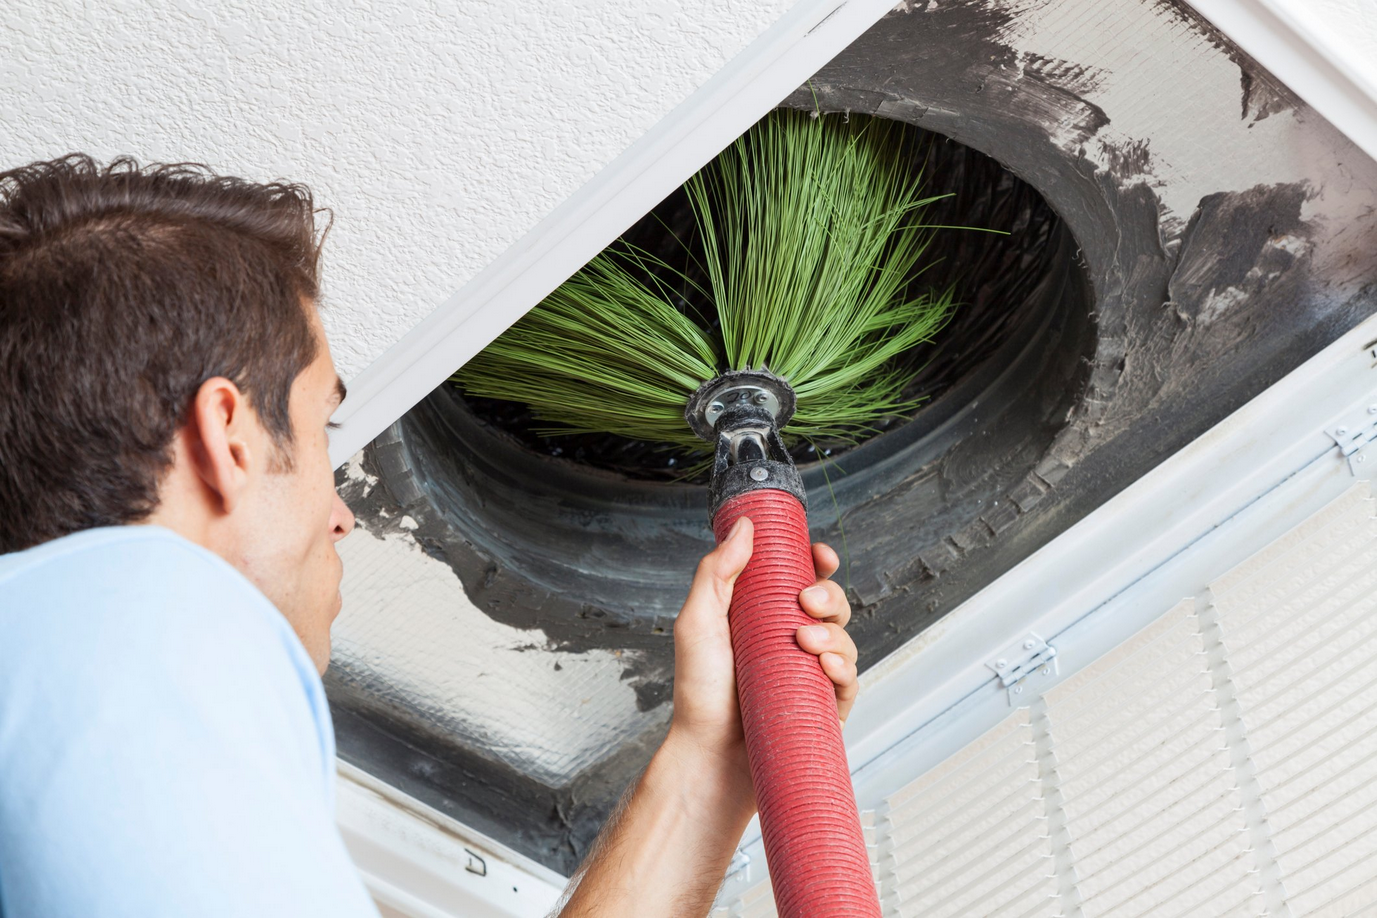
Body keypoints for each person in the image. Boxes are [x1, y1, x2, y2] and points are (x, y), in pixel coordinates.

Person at [0, 156, 861, 917]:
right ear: (230, 438)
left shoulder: (68, 698)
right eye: (320, 434)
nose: (341, 513)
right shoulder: (143, 643)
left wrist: (711, 764)